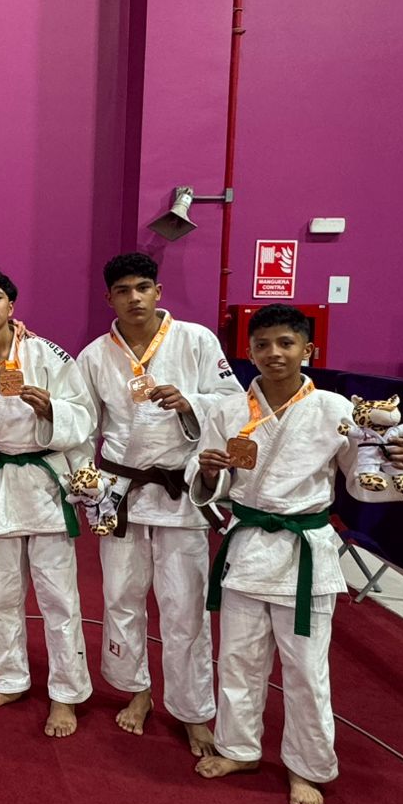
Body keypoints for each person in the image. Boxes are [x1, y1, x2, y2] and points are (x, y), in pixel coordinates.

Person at [189, 305, 403, 804]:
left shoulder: (335, 409)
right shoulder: (229, 410)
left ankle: (307, 766)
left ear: (308, 349)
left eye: (286, 343)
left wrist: (398, 465)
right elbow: (213, 477)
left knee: (305, 670)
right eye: (262, 345)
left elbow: (362, 480)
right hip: (248, 548)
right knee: (237, 660)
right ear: (248, 350)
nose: (274, 353)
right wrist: (208, 473)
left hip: (305, 554)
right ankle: (238, 748)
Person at [75, 252, 243, 754]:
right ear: (109, 298)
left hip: (180, 492)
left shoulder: (196, 340)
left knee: (185, 606)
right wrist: (86, 484)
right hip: (122, 492)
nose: (134, 298)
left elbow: (234, 404)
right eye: (123, 291)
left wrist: (192, 402)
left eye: (143, 288)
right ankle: (138, 690)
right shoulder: (94, 356)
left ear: (158, 292)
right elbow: (83, 426)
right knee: (120, 598)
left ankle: (192, 710)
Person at [0, 268, 96, 738]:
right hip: (1, 482)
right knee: (2, 595)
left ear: (11, 305)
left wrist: (52, 410)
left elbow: (83, 413)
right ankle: (9, 679)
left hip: (46, 481)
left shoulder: (48, 354)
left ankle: (66, 693)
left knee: (59, 597)